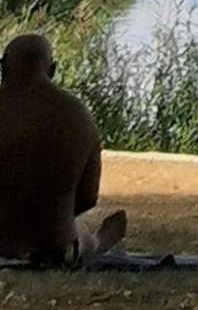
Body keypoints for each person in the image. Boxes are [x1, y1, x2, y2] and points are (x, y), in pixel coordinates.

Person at [0, 34, 126, 265]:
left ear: (2, 67)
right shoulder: (76, 113)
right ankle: (94, 242)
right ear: (53, 69)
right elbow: (87, 198)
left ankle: (91, 238)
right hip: (53, 247)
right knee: (75, 225)